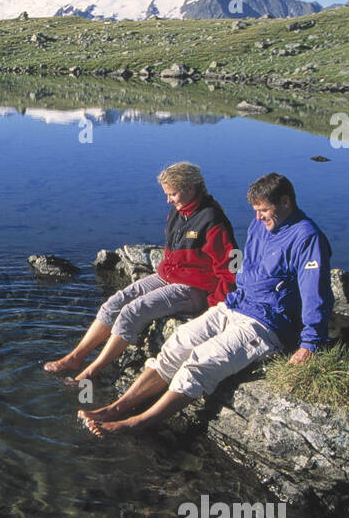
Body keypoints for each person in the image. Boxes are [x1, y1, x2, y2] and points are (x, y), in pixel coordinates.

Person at [80, 172, 332, 437]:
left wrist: (310, 345)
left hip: (266, 324)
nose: (258, 217)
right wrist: (224, 299)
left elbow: (316, 293)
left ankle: (138, 422)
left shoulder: (308, 238)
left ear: (285, 202)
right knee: (176, 343)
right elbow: (243, 268)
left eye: (264, 210)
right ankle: (117, 408)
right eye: (255, 211)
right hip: (235, 305)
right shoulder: (260, 226)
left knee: (200, 364)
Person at [44, 162, 237, 383]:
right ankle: (75, 357)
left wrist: (216, 306)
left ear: (191, 188)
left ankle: (91, 371)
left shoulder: (212, 219)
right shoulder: (178, 212)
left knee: (133, 311)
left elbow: (230, 267)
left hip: (193, 288)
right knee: (115, 302)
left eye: (172, 194)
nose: (168, 199)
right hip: (167, 276)